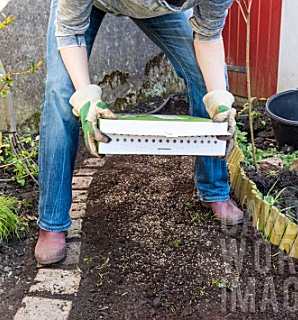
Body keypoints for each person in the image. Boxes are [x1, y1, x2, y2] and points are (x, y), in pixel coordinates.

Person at [35, 0, 243, 265]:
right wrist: (87, 98)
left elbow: (208, 34)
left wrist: (218, 102)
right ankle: (52, 221)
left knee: (209, 80)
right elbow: (70, 32)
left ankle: (214, 189)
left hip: (154, 8)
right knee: (61, 92)